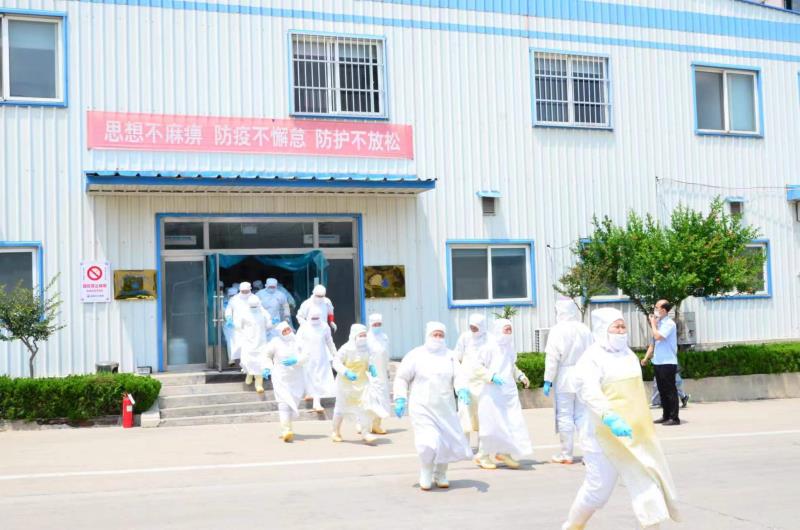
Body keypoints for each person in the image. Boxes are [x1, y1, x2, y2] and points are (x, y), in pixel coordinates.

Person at [562, 308, 680, 530]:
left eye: (623, 326)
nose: (621, 331)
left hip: (633, 435)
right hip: (602, 436)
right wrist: (609, 416)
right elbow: (589, 391)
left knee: (647, 486)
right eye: (616, 327)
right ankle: (573, 525)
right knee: (598, 491)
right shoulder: (591, 358)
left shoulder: (629, 356)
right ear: (602, 329)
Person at [393, 322, 473, 491]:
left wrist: (462, 390)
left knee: (445, 442)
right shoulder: (416, 355)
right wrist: (400, 398)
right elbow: (401, 378)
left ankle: (441, 473)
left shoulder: (450, 356)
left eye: (441, 335)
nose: (438, 338)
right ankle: (426, 471)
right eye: (434, 334)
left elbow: (459, 376)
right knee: (427, 442)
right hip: (422, 407)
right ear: (428, 335)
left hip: (445, 408)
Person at [473, 319, 532, 470]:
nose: (508, 332)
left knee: (511, 422)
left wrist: (520, 376)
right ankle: (482, 455)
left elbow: (511, 366)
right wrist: (491, 376)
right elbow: (476, 367)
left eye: (510, 330)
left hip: (508, 393)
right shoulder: (489, 347)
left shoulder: (509, 348)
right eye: (506, 329)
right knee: (491, 425)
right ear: (498, 330)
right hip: (492, 392)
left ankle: (505, 453)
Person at [544, 299, 594, 464]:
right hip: (584, 377)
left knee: (565, 415)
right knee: (583, 416)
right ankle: (589, 454)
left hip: (565, 377)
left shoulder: (557, 330)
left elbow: (552, 358)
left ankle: (566, 454)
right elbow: (594, 354)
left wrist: (548, 380)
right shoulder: (584, 329)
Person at [331, 324, 387, 444]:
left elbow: (370, 360)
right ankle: (335, 432)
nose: (363, 338)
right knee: (340, 409)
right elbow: (336, 362)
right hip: (346, 385)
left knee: (365, 408)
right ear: (354, 336)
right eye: (360, 335)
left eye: (364, 335)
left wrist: (371, 367)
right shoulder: (346, 349)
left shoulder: (367, 348)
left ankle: (366, 433)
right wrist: (346, 372)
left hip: (362, 383)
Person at [263, 322, 308, 443]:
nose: (287, 332)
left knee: (294, 402)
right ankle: (286, 430)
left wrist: (296, 360)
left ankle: (288, 424)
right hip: (280, 376)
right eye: (284, 331)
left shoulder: (298, 340)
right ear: (280, 333)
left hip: (296, 377)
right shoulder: (275, 342)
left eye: (288, 329)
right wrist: (267, 367)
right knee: (283, 403)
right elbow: (266, 355)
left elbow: (306, 355)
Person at [641, 300, 681, 426]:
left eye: (657, 307)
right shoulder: (659, 324)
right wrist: (646, 358)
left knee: (670, 390)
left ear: (663, 310)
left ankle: (674, 418)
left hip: (667, 362)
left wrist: (653, 324)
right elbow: (653, 343)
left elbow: (658, 337)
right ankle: (666, 415)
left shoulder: (669, 324)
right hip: (658, 362)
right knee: (662, 390)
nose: (655, 309)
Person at [454, 314, 492, 441]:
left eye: (476, 327)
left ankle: (482, 446)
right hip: (467, 381)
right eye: (471, 326)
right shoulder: (465, 337)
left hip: (483, 382)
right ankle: (465, 446)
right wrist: (459, 381)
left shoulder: (489, 339)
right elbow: (457, 357)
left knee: (482, 415)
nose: (473, 329)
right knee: (465, 414)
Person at [297, 306, 337, 412]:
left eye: (317, 318)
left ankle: (316, 402)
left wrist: (335, 354)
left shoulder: (324, 326)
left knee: (318, 378)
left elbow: (329, 341)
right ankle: (310, 394)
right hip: (307, 357)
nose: (315, 321)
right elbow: (298, 342)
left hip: (321, 357)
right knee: (310, 377)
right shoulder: (304, 327)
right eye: (313, 318)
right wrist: (298, 355)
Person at [235, 297, 273, 393]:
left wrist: (272, 323)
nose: (254, 309)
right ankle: (249, 374)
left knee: (260, 362)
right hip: (248, 342)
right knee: (248, 360)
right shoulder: (244, 313)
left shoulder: (263, 313)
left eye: (255, 307)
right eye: (252, 307)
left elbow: (269, 325)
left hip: (261, 342)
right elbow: (238, 326)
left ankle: (258, 384)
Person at [366, 313, 392, 435]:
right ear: (370, 324)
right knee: (369, 398)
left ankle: (377, 424)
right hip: (370, 373)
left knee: (381, 398)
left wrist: (387, 369)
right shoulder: (366, 338)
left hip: (382, 373)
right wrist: (369, 367)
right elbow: (364, 355)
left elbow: (386, 354)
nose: (377, 326)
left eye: (379, 324)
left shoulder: (384, 337)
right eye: (375, 324)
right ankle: (363, 424)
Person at [224, 282, 260, 366]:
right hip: (238, 326)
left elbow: (261, 310)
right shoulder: (234, 299)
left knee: (250, 345)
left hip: (251, 325)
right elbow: (228, 309)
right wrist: (229, 318)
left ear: (250, 289)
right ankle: (242, 364)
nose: (244, 293)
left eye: (246, 291)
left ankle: (249, 364)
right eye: (243, 291)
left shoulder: (254, 298)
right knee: (240, 345)